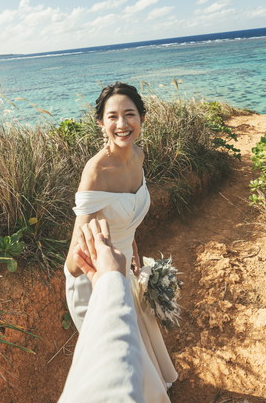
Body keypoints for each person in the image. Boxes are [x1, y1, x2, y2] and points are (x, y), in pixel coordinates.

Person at [63, 82, 178, 401]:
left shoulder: (138, 156)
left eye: (130, 114)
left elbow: (128, 218)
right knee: (120, 361)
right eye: (112, 116)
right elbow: (74, 262)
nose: (122, 124)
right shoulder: (96, 172)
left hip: (124, 266)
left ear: (142, 118)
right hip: (93, 281)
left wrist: (133, 251)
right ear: (101, 123)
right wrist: (108, 269)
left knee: (139, 348)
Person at [58, 218, 148, 402]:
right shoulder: (89, 188)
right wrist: (110, 277)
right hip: (94, 280)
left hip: (113, 270)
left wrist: (131, 245)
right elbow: (73, 268)